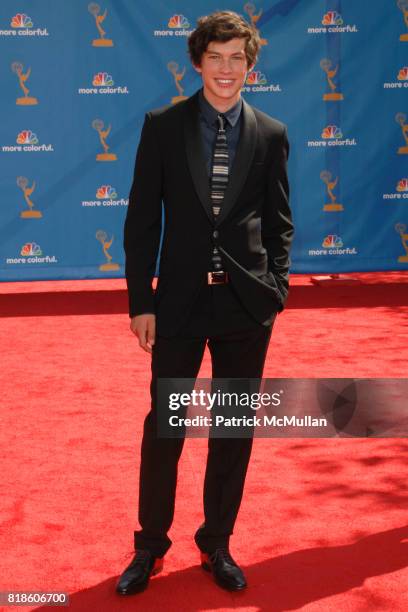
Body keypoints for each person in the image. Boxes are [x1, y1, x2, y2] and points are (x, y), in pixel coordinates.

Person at [116, 10, 294, 595]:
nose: (226, 68)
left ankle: (216, 542)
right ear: (197, 62)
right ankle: (149, 545)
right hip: (180, 307)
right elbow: (142, 219)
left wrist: (275, 291)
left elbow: (279, 223)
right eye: (215, 57)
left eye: (237, 58)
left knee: (232, 430)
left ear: (250, 66)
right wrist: (143, 301)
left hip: (247, 307)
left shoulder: (270, 133)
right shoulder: (163, 126)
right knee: (166, 426)